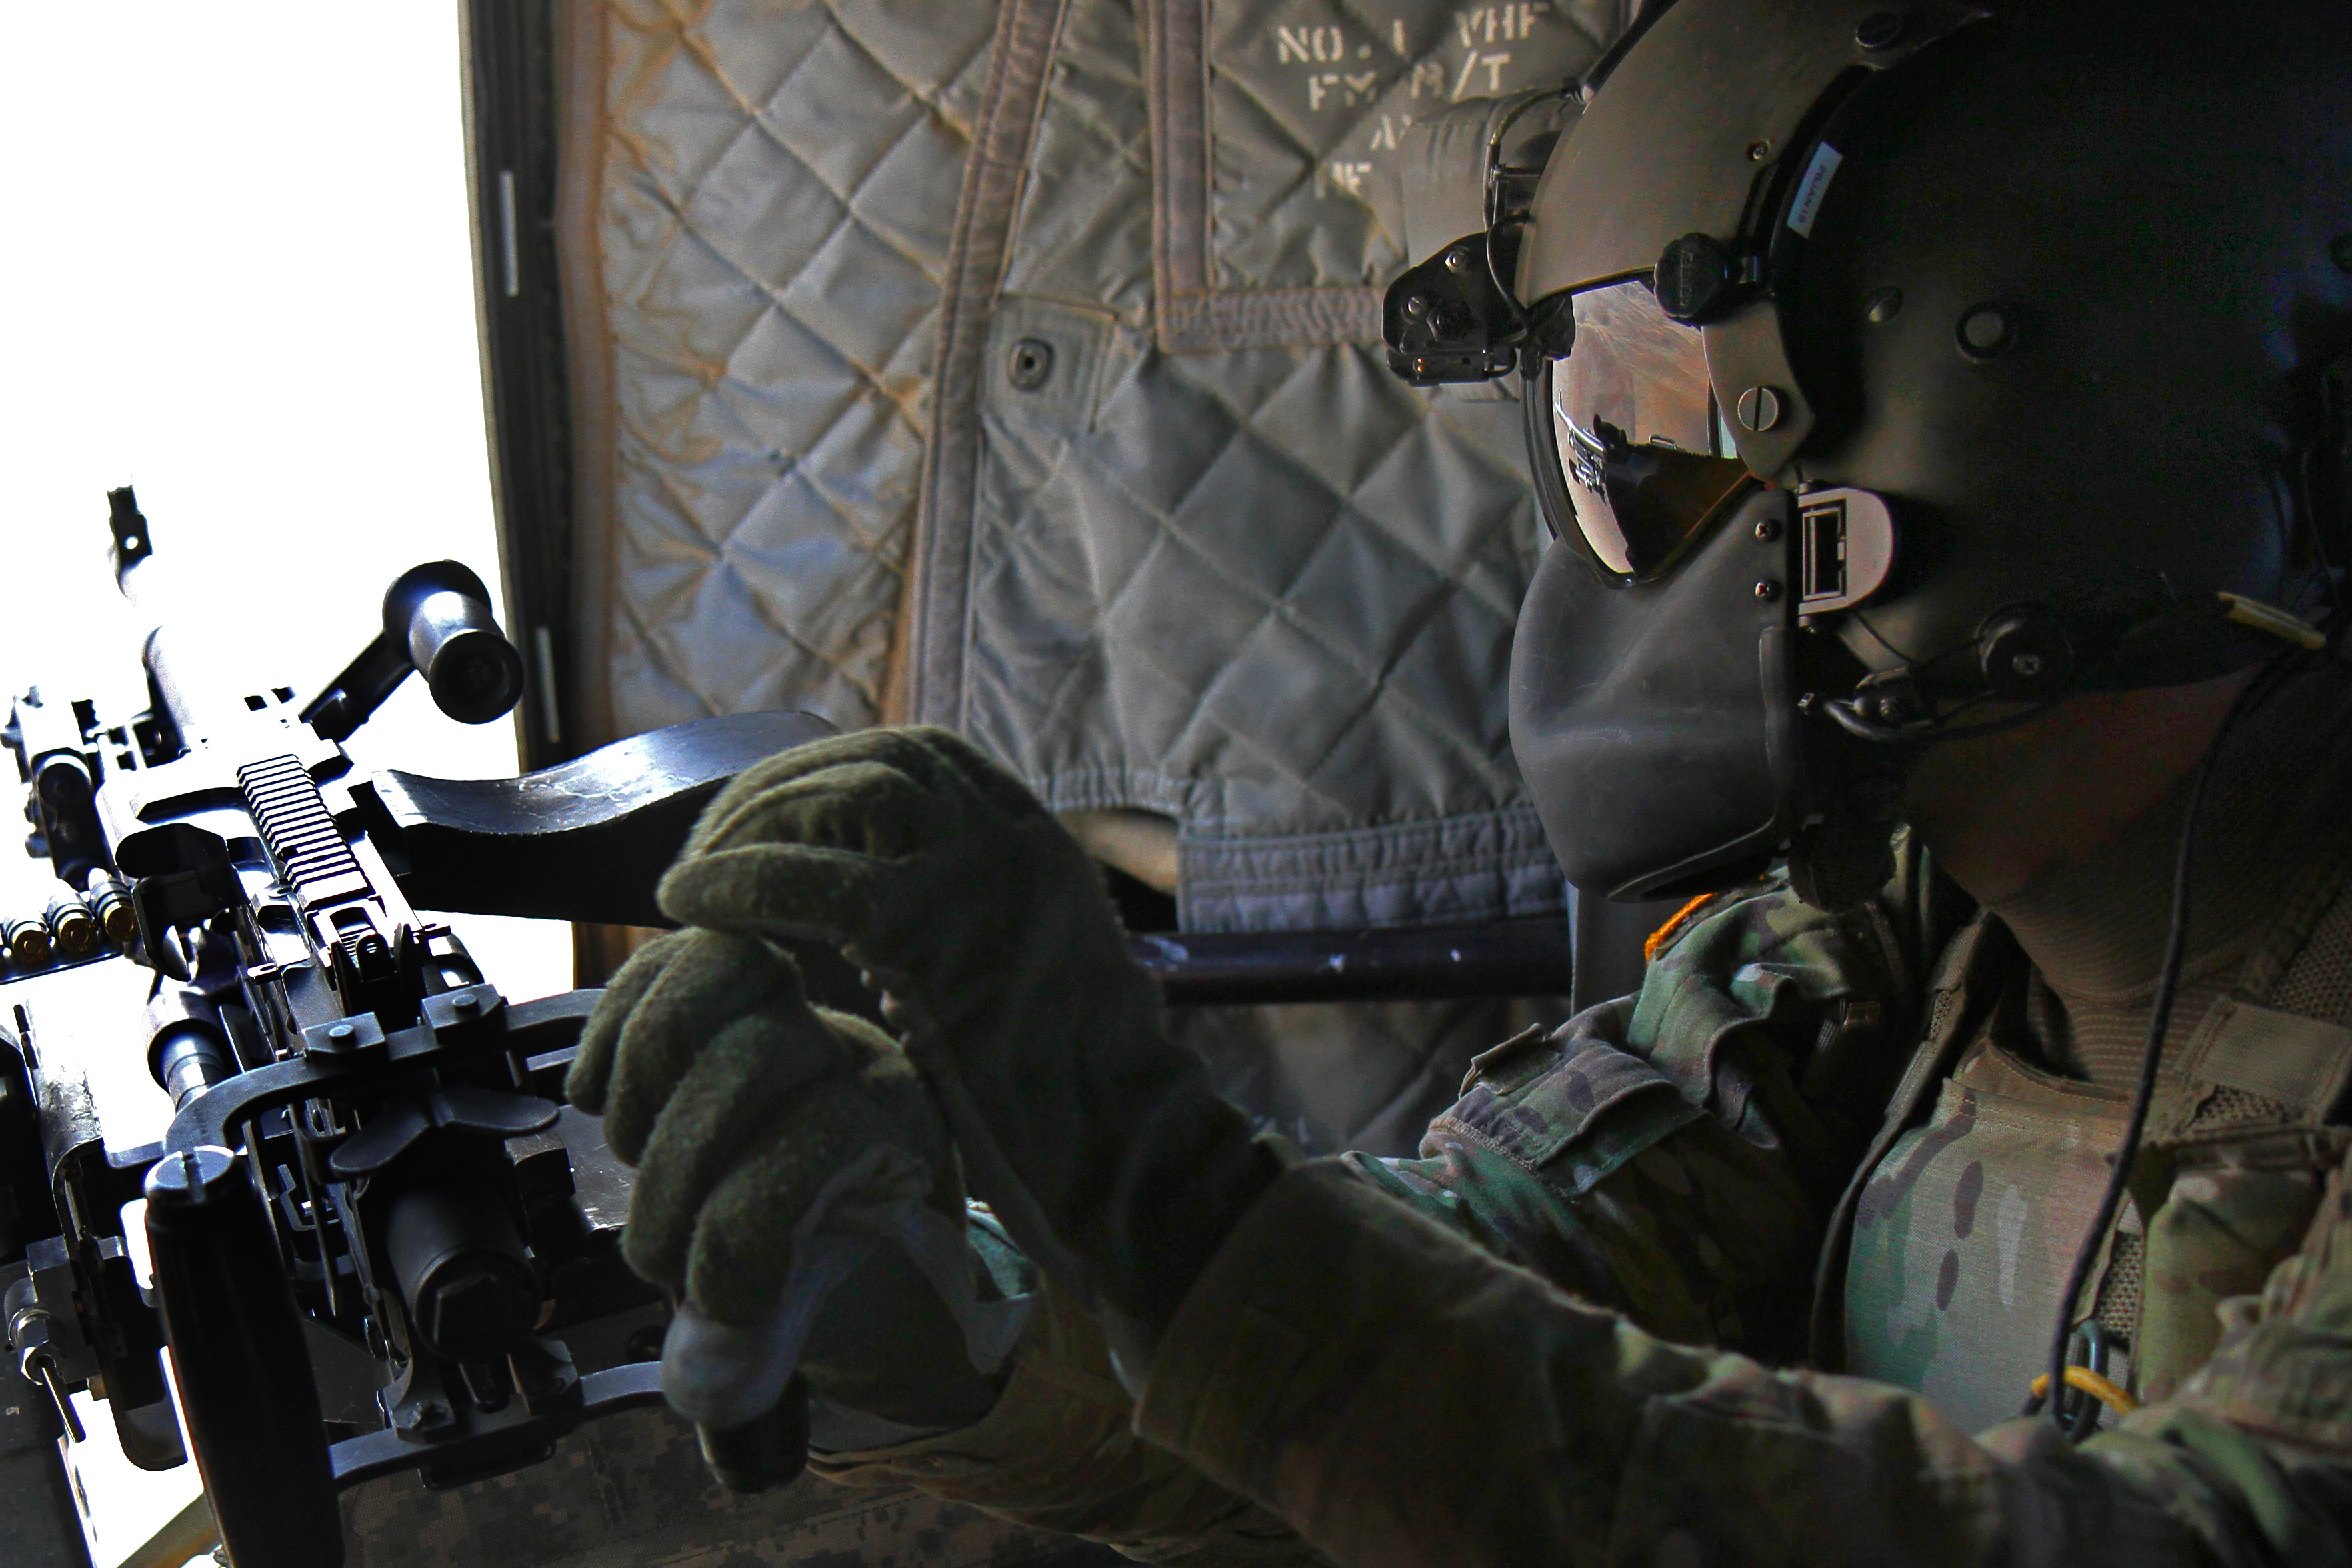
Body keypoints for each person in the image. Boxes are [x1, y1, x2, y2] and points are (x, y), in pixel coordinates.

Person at [563, 0, 2352, 1561]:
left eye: (1719, 443)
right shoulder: (1886, 952)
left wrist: (1154, 1189)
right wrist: (969, 1295)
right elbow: (1498, 1285)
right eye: (1615, 448)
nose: (1654, 554)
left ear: (2081, 415)